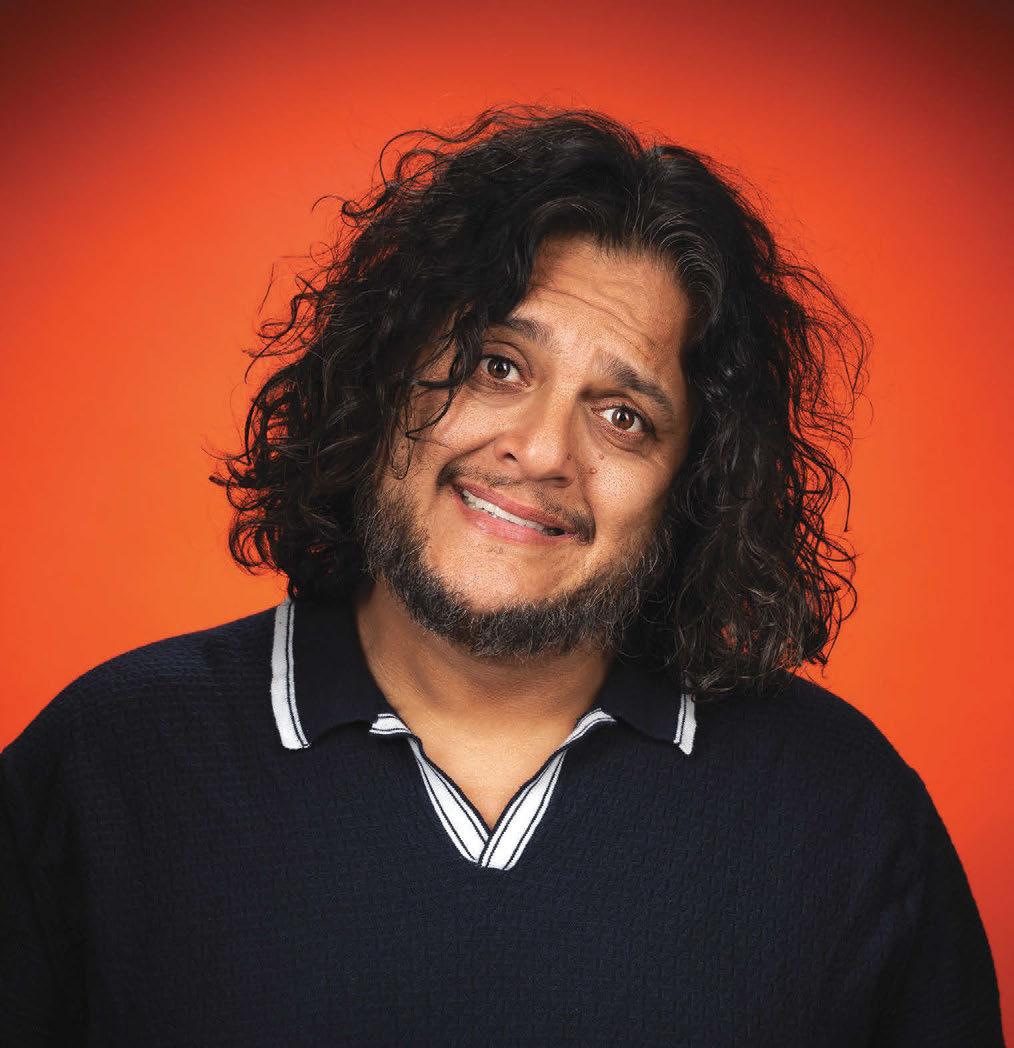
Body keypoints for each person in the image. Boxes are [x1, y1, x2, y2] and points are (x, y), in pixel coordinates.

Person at [0, 105, 1003, 1046]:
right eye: (498, 365)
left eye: (623, 417)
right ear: (385, 374)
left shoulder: (845, 813)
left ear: (693, 486)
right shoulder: (104, 768)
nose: (542, 451)